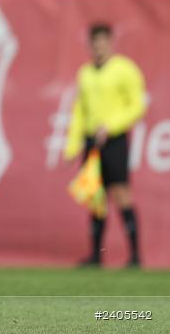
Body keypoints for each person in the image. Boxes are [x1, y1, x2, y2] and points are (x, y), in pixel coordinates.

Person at [63, 23, 146, 267]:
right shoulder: (85, 73)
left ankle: (135, 256)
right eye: (95, 42)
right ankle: (96, 256)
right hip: (92, 142)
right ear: (90, 45)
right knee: (95, 198)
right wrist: (72, 145)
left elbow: (137, 105)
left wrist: (111, 126)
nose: (98, 46)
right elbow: (79, 111)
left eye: (102, 41)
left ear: (110, 42)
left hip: (114, 140)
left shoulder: (124, 69)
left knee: (121, 194)